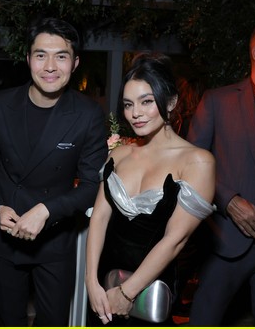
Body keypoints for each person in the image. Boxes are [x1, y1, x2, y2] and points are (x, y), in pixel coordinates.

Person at [0, 17, 107, 326]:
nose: (50, 66)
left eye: (61, 56)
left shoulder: (88, 114)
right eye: (41, 55)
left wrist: (47, 211)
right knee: (10, 320)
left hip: (55, 242)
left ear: (75, 62)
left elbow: (91, 184)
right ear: (28, 59)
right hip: (4, 238)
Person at [85, 52, 216, 326]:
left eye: (147, 101)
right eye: (128, 104)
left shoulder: (197, 161)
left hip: (148, 294)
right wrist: (91, 281)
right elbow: (99, 218)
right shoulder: (118, 156)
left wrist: (127, 292)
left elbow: (175, 240)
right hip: (103, 287)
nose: (136, 113)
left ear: (171, 102)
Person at [187, 20, 255, 326]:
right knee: (203, 321)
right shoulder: (218, 100)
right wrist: (229, 201)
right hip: (230, 240)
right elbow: (190, 165)